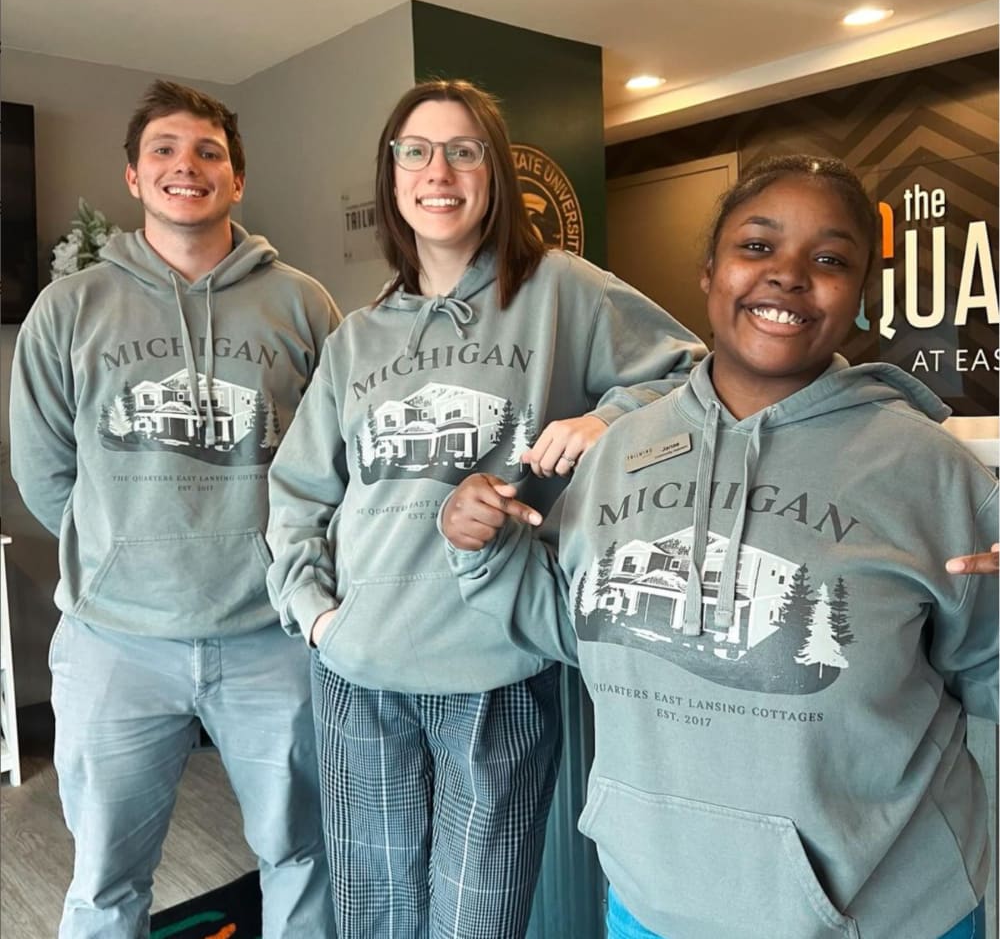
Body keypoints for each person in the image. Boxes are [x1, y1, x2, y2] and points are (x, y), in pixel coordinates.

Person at [442, 155, 998, 939]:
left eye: (831, 259)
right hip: (652, 907)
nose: (790, 276)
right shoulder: (617, 453)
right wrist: (484, 547)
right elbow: (573, 628)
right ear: (709, 274)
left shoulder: (932, 473)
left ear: (861, 298)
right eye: (757, 247)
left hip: (888, 915)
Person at [265, 78, 706, 939]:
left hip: (498, 666)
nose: (440, 170)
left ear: (494, 173)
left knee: (478, 923)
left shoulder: (561, 290)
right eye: (417, 151)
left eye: (464, 150)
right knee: (375, 920)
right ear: (393, 176)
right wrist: (317, 619)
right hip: (360, 669)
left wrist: (600, 419)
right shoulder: (358, 336)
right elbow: (299, 492)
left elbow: (689, 374)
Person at [9, 80, 340, 939]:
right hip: (115, 639)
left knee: (304, 853)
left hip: (274, 636)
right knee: (106, 878)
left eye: (207, 153)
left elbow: (336, 464)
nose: (184, 166)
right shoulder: (67, 308)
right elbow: (47, 473)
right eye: (163, 150)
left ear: (235, 181)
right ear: (132, 176)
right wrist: (125, 547)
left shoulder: (302, 304)